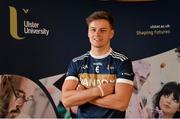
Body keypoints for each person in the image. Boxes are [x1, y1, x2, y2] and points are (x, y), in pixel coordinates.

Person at [61, 10, 134, 118]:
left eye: (103, 30)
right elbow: (66, 100)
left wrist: (84, 94)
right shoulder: (77, 62)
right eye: (93, 30)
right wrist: (98, 91)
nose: (97, 34)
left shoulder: (122, 61)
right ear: (88, 33)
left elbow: (121, 103)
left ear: (111, 34)